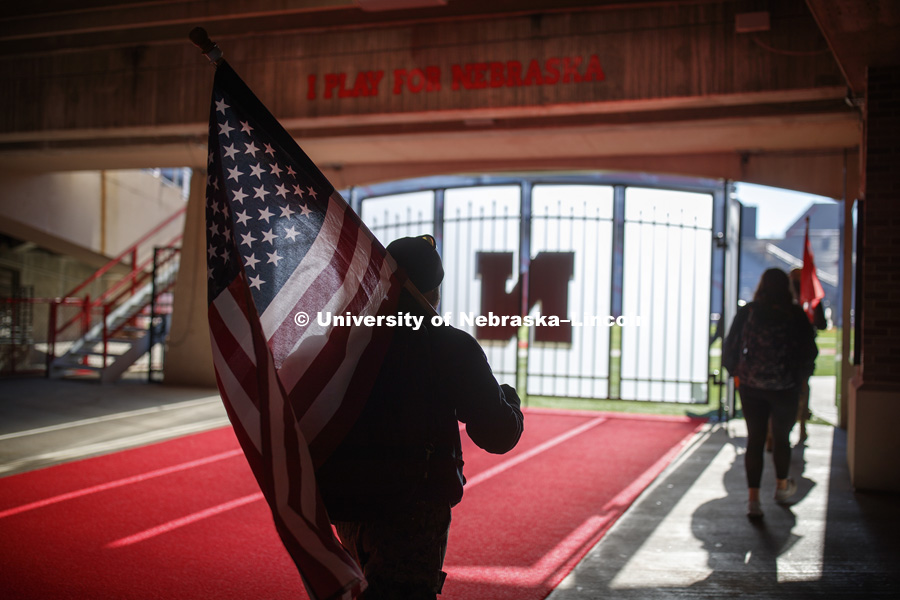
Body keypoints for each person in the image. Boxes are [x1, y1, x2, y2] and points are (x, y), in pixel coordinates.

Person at [316, 234, 524, 599]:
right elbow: (498, 434)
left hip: (345, 501)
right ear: (435, 288)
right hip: (410, 511)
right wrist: (510, 400)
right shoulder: (449, 345)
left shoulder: (345, 334)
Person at [722, 268, 817, 519]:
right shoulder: (795, 314)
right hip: (785, 386)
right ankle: (781, 487)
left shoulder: (749, 312)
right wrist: (799, 380)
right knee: (782, 438)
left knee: (755, 439)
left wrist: (737, 372)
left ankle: (753, 500)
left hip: (752, 386)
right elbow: (810, 351)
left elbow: (730, 345)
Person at [789, 267, 827, 442]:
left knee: (799, 389)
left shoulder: (807, 299)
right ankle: (800, 425)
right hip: (798, 352)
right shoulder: (789, 299)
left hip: (798, 352)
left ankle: (800, 424)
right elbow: (822, 324)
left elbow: (821, 323)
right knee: (802, 388)